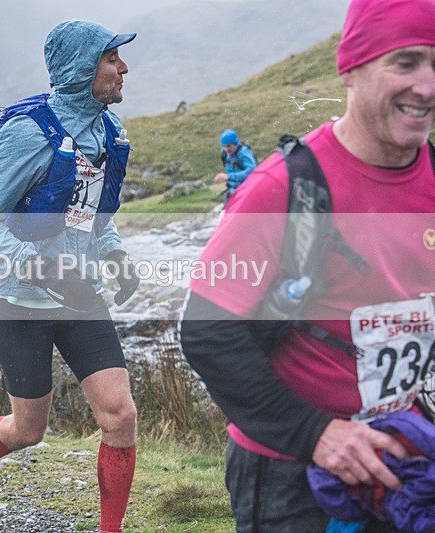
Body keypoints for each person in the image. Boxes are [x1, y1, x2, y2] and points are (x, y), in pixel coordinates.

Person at [179, 0, 435, 530]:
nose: (427, 86)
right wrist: (315, 434)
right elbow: (206, 331)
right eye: (405, 63)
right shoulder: (283, 189)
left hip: (401, 453)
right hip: (292, 473)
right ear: (350, 69)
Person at [0, 20, 140, 532]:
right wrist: (44, 271)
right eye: (112, 59)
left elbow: (97, 212)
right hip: (19, 303)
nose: (124, 69)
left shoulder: (108, 131)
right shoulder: (29, 134)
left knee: (120, 416)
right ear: (80, 69)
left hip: (81, 297)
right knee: (28, 431)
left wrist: (113, 255)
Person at [213, 128, 256, 206]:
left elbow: (252, 172)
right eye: (223, 146)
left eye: (228, 146)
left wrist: (228, 177)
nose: (226, 149)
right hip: (232, 191)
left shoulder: (244, 153)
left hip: (246, 192)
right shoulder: (224, 153)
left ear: (235, 143)